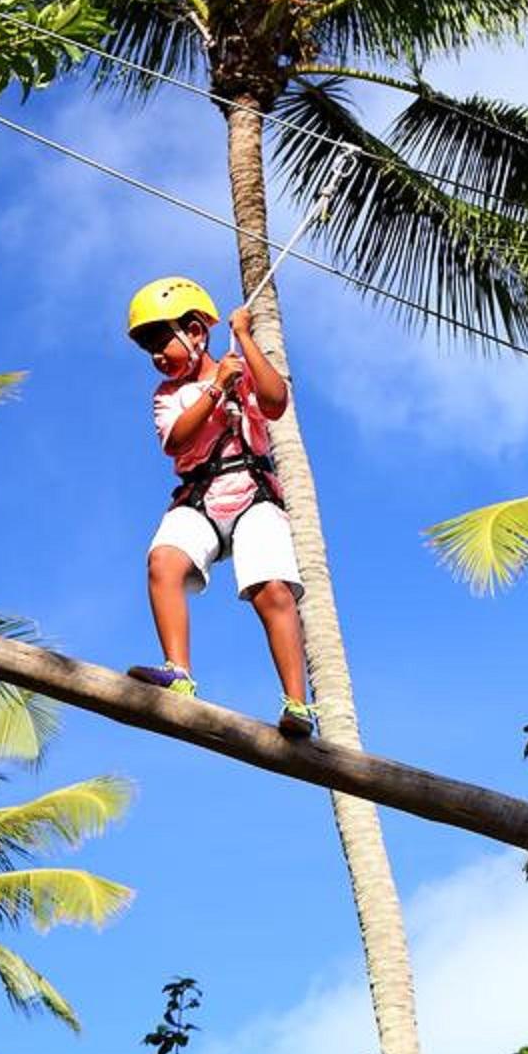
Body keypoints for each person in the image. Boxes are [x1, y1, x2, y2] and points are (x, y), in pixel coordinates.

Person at [123, 276, 317, 738]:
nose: (155, 355)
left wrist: (246, 339)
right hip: (200, 497)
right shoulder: (169, 396)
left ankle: (298, 704)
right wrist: (214, 390)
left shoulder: (239, 367)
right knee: (163, 561)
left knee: (272, 590)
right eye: (147, 346)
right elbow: (177, 442)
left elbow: (275, 401)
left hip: (251, 493)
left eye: (159, 340)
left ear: (195, 331)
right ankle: (179, 672)